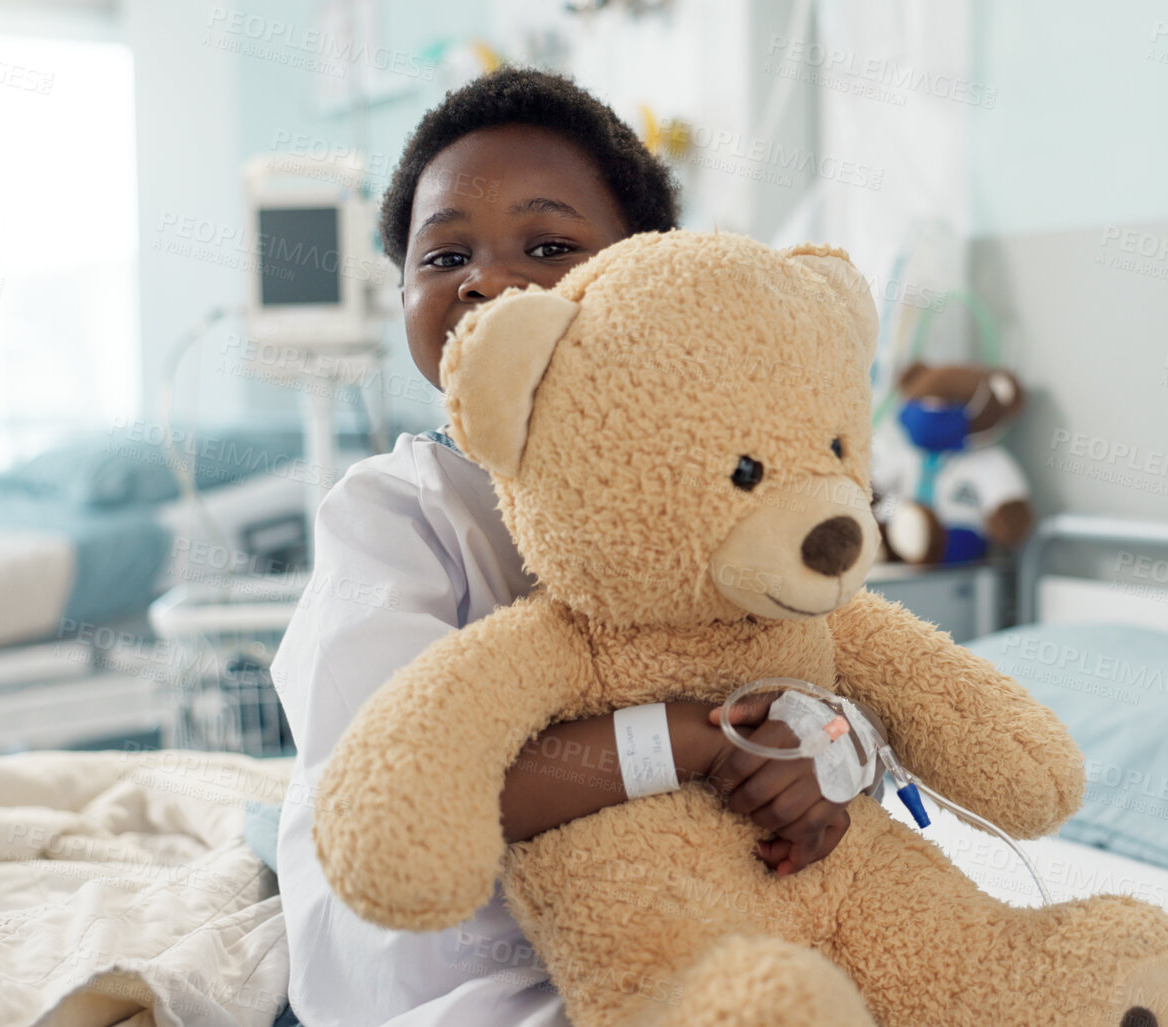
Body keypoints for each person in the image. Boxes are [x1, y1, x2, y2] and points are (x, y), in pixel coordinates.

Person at [271, 67, 881, 1027]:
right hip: (449, 966)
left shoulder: (719, 498)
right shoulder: (397, 512)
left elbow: (825, 677)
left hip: (670, 918)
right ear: (399, 296)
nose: (485, 278)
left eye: (549, 245)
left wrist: (825, 758)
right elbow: (404, 785)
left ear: (641, 276)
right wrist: (693, 739)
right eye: (442, 256)